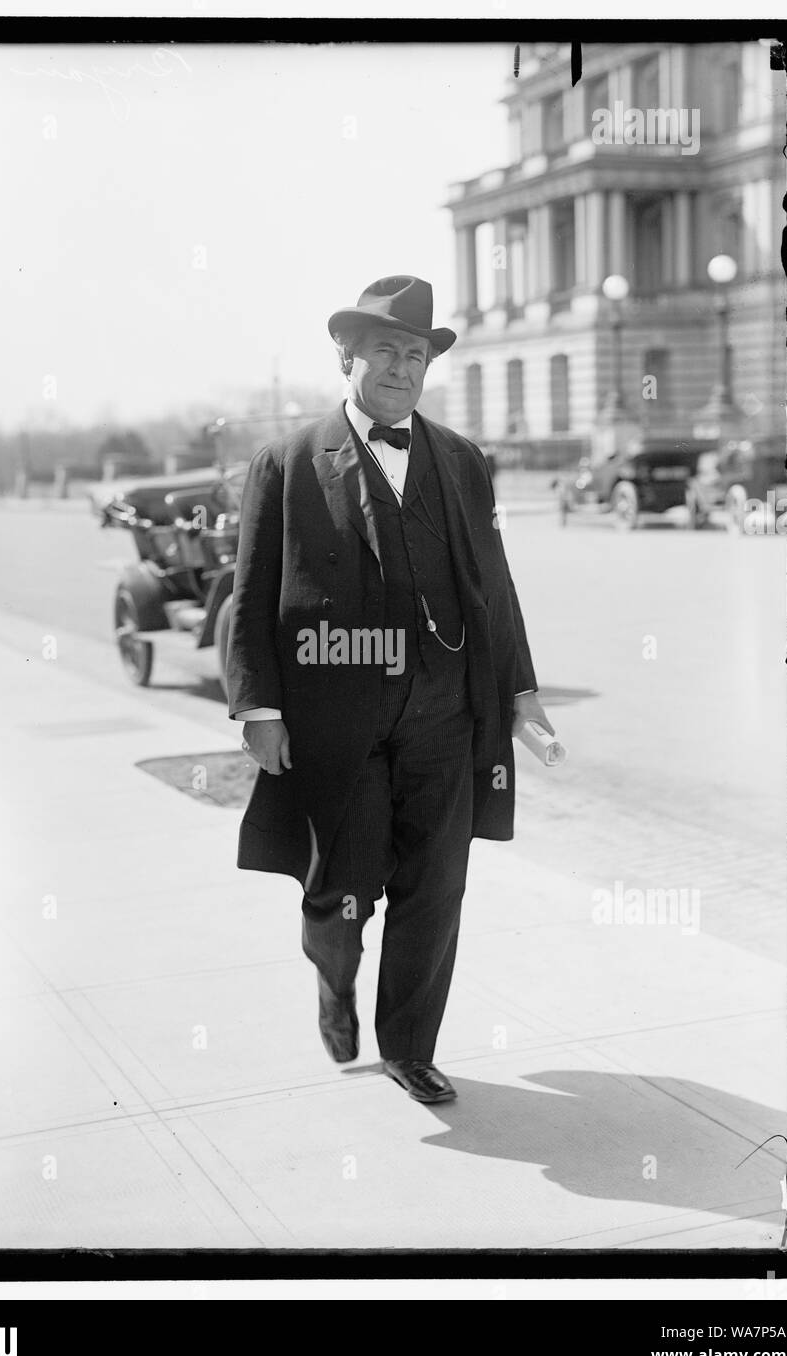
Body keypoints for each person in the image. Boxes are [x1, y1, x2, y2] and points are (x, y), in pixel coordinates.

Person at [225, 275, 552, 1104]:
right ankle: (334, 980)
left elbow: (495, 586)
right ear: (348, 355)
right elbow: (252, 591)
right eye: (386, 350)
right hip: (337, 718)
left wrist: (520, 695)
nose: (403, 366)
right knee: (337, 896)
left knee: (435, 886)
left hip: (445, 714)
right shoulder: (288, 461)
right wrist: (259, 708)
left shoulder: (462, 461)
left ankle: (410, 1046)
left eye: (416, 352)